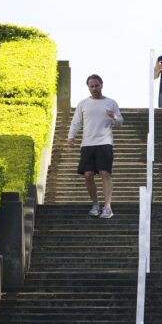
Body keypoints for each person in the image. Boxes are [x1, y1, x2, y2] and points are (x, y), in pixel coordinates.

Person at [67, 74, 123, 219]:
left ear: (101, 85)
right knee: (88, 175)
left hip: (105, 143)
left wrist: (113, 117)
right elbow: (76, 122)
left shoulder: (111, 102)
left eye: (96, 85)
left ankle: (108, 207)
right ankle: (95, 204)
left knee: (105, 173)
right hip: (87, 144)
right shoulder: (83, 103)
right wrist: (71, 137)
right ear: (88, 87)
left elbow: (120, 121)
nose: (94, 88)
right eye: (91, 86)